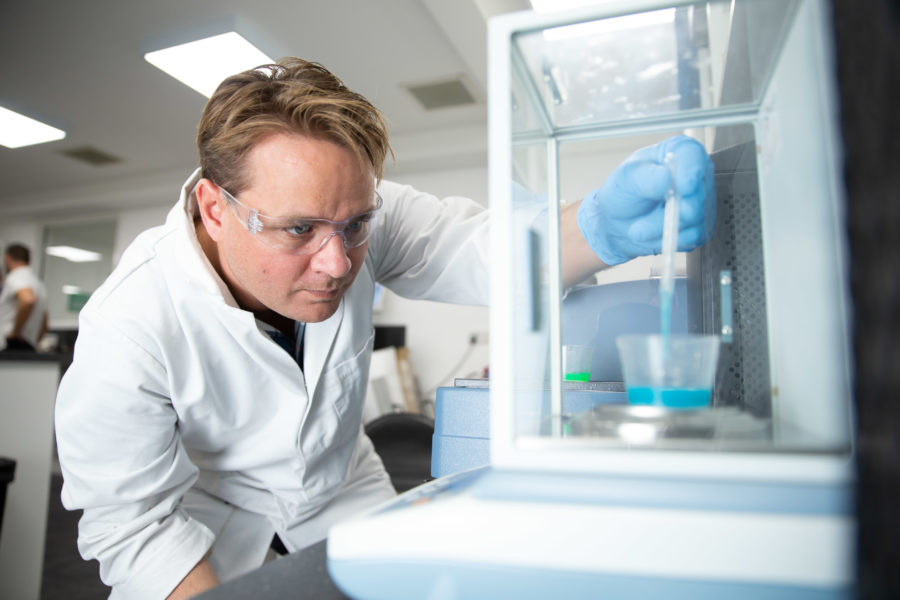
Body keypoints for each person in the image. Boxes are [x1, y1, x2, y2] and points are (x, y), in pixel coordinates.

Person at [54, 57, 715, 599]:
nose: (338, 261)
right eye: (299, 230)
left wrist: (598, 226)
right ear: (214, 207)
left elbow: (472, 248)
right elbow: (131, 523)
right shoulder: (131, 324)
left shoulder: (348, 211)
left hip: (342, 497)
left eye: (355, 226)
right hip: (205, 538)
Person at [0, 243, 48, 352]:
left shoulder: (17, 276)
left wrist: (16, 332)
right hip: (28, 345)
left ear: (7, 258)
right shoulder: (38, 283)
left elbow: (27, 300)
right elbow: (45, 320)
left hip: (11, 344)